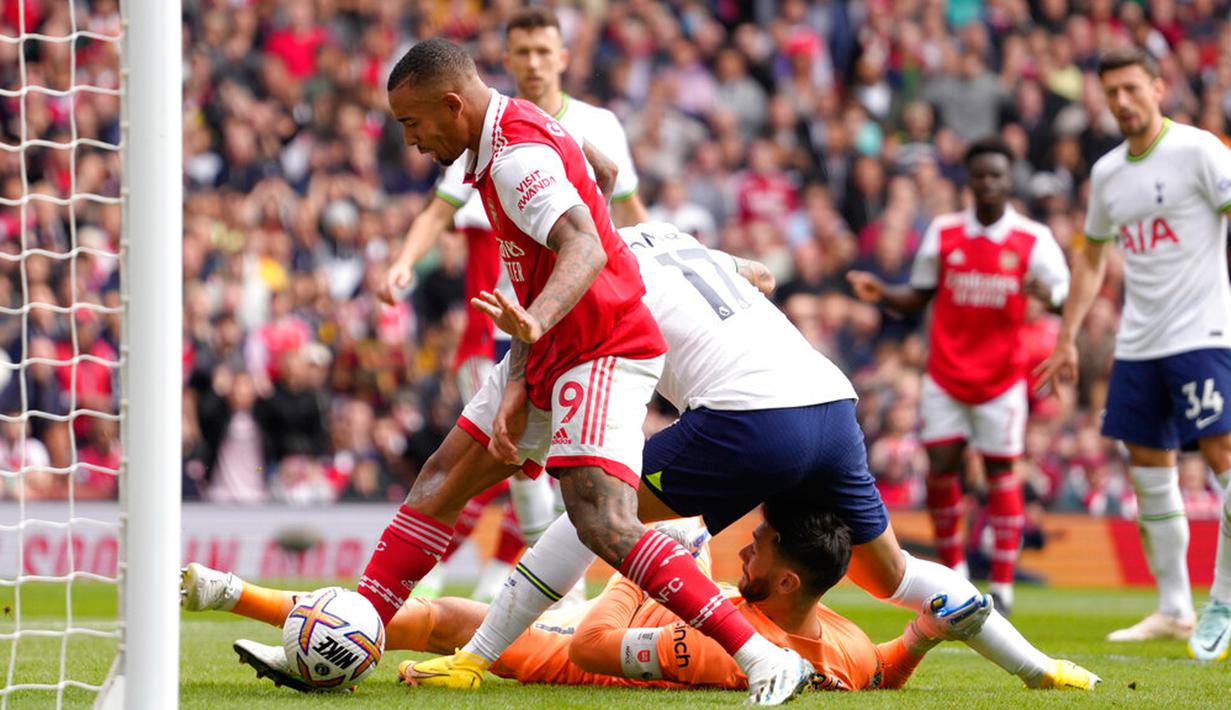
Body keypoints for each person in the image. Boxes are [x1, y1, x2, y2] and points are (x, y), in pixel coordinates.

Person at [406, 221, 1096, 692]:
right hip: (831, 403)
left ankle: (475, 658)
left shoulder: (591, 266)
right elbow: (758, 273)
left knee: (591, 512)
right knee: (895, 574)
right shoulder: (670, 235)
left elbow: (542, 346)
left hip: (748, 414)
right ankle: (1038, 669)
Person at [363, 39, 812, 705]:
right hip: (548, 344)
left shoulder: (515, 158)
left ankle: (763, 656)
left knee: (602, 520)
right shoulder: (517, 129)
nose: (410, 140)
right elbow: (596, 176)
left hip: (602, 343)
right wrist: (522, 374)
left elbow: (584, 244)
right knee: (443, 475)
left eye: (412, 122)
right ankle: (355, 632)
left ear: (453, 104)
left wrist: (536, 321)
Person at [377, 7, 650, 595]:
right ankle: (375, 611)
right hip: (523, 331)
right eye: (521, 52)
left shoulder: (531, 143)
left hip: (581, 332)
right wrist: (404, 262)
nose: (410, 141)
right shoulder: (486, 135)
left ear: (562, 58)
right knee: (460, 468)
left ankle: (539, 583)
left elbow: (600, 226)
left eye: (542, 51)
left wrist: (547, 312)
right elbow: (595, 180)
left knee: (593, 511)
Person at [181, 509, 990, 693]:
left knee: (439, 619)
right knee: (433, 611)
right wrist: (920, 637)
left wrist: (638, 565)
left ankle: (243, 601)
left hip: (580, 651)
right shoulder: (838, 639)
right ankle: (236, 595)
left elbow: (591, 650)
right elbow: (875, 671)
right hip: (629, 608)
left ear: (784, 582)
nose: (746, 547)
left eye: (761, 546)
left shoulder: (726, 650)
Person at [1035, 47, 1231, 659]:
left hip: (1204, 332)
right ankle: (1174, 608)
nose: (1121, 101)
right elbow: (1093, 257)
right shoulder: (1107, 173)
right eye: (1111, 92)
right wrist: (1066, 336)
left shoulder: (1200, 150)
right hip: (1140, 342)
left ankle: (1223, 600)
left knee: (1224, 459)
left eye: (1131, 88)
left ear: (1158, 87)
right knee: (1147, 466)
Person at [847, 137, 1071, 613]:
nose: (988, 183)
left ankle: (1004, 584)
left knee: (1001, 474)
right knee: (941, 474)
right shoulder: (945, 232)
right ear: (969, 181)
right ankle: (956, 575)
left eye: (996, 175)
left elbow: (1063, 296)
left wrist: (1047, 296)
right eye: (980, 175)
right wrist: (882, 292)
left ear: (1009, 182)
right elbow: (919, 294)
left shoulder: (1032, 238)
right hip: (946, 376)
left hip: (1001, 380)